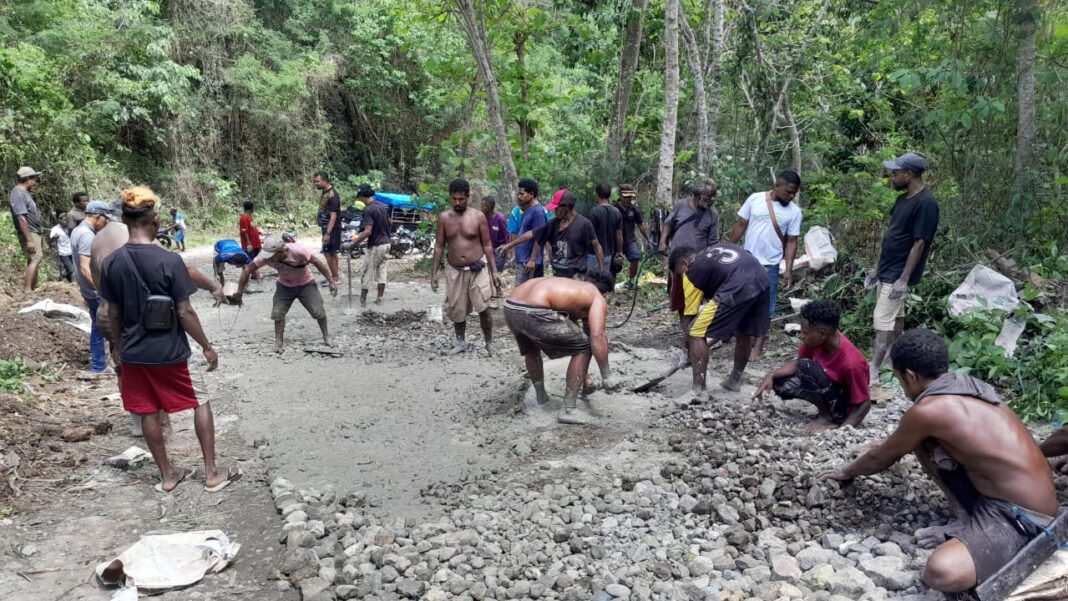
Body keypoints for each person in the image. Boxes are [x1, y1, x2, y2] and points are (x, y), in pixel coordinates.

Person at [819, 329, 1057, 593]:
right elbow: (898, 444)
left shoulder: (929, 411)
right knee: (922, 441)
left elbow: (881, 459)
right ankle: (965, 518)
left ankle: (983, 533)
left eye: (899, 379)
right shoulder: (966, 386)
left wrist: (846, 470)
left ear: (910, 376)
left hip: (1023, 516)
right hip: (1021, 497)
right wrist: (882, 445)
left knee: (941, 572)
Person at [99, 186, 240, 493]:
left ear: (124, 220)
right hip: (172, 351)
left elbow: (110, 313)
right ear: (156, 219)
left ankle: (167, 475)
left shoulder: (112, 263)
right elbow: (185, 311)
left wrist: (120, 348)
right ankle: (212, 473)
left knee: (148, 410)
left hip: (134, 353)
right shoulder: (170, 261)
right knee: (200, 402)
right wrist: (206, 346)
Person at [91, 203, 227, 437]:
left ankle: (138, 420)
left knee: (125, 367)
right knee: (188, 392)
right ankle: (166, 428)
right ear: (150, 220)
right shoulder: (139, 239)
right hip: (148, 321)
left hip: (109, 318)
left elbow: (104, 294)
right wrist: (214, 286)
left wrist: (121, 341)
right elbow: (184, 274)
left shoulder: (99, 242)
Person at [504, 271, 616, 424]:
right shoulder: (596, 296)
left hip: (511, 306)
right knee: (584, 348)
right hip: (534, 310)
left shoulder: (573, 288)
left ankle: (541, 398)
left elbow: (575, 330)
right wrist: (607, 376)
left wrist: (585, 377)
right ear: (605, 294)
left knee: (532, 348)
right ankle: (568, 410)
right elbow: (597, 337)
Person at [866, 152, 940, 381]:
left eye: (895, 173)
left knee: (882, 319)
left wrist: (904, 279)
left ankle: (873, 370)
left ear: (909, 174)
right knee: (895, 319)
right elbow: (892, 236)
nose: (891, 177)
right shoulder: (902, 200)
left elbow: (919, 243)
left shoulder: (926, 204)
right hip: (887, 269)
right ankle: (893, 360)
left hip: (898, 273)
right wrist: (876, 269)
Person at [754, 300, 871, 431]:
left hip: (844, 408)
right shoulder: (814, 343)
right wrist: (772, 375)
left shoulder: (852, 364)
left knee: (807, 366)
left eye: (805, 332)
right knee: (780, 383)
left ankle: (828, 418)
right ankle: (825, 411)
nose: (801, 336)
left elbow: (864, 403)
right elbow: (798, 363)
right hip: (827, 388)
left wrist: (844, 430)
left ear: (822, 334)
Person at [669, 242, 770, 393]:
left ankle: (699, 389)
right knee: (744, 332)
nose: (682, 276)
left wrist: (688, 349)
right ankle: (734, 380)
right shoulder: (715, 249)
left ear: (684, 263)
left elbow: (689, 316)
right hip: (762, 280)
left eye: (680, 272)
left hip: (737, 285)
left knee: (695, 332)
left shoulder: (692, 271)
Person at [727, 170, 803, 359]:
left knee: (766, 306)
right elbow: (740, 225)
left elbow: (792, 241)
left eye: (794, 193)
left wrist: (788, 270)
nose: (791, 196)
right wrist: (728, 250)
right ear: (777, 186)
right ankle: (740, 340)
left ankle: (758, 346)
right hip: (747, 261)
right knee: (740, 300)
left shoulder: (794, 212)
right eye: (788, 192)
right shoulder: (755, 199)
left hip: (770, 265)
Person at [431, 180, 503, 355]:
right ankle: (460, 341)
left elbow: (487, 245)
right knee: (457, 308)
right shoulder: (444, 218)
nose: (457, 203)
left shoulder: (478, 216)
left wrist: (494, 272)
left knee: (484, 308)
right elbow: (439, 246)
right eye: (454, 199)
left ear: (468, 197)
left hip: (477, 268)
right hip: (454, 269)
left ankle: (489, 343)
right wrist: (434, 273)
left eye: (461, 199)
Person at [232, 235, 336, 353]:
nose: (269, 259)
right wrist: (239, 291)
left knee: (318, 311)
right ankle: (278, 342)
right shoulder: (265, 257)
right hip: (284, 285)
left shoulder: (298, 251)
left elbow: (317, 262)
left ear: (282, 251)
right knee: (278, 313)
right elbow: (247, 270)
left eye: (272, 256)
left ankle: (326, 337)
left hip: (306, 283)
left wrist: (331, 281)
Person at [659, 181, 720, 353]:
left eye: (714, 195)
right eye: (709, 196)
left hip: (697, 265)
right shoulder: (680, 205)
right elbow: (669, 223)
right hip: (677, 262)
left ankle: (694, 336)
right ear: (697, 195)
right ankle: (686, 333)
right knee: (680, 299)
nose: (712, 199)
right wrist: (663, 241)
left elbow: (713, 241)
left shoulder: (712, 215)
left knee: (696, 301)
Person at [500, 191, 604, 280]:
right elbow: (532, 234)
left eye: (557, 208)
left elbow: (597, 246)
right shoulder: (553, 224)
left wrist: (601, 270)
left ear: (566, 207)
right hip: (558, 274)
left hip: (576, 276)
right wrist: (509, 245)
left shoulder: (584, 224)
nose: (555, 211)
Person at [70, 200, 113, 375]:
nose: (105, 224)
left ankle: (101, 363)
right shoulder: (87, 236)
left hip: (88, 289)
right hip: (93, 291)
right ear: (97, 216)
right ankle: (98, 366)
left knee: (99, 325)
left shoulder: (78, 230)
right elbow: (85, 267)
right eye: (105, 219)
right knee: (99, 326)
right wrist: (101, 290)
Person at [349, 184, 391, 306]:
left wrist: (353, 243)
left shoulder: (368, 209)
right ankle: (380, 299)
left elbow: (368, 231)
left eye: (360, 197)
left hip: (377, 245)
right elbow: (390, 222)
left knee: (367, 270)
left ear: (362, 196)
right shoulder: (382, 206)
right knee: (382, 270)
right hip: (387, 243)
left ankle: (362, 300)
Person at [9, 166, 45, 293]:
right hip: (29, 231)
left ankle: (34, 285)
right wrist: (29, 239)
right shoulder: (17, 193)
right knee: (35, 258)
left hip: (35, 230)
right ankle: (27, 289)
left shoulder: (25, 193)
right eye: (35, 179)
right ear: (28, 179)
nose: (36, 182)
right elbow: (21, 218)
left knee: (35, 257)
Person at [513, 179, 548, 284]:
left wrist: (532, 259)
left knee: (524, 294)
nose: (519, 196)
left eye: (522, 194)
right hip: (523, 260)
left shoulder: (538, 212)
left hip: (528, 262)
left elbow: (539, 236)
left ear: (531, 194)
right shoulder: (528, 210)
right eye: (518, 194)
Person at [615, 184, 652, 281]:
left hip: (630, 240)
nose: (628, 199)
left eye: (630, 197)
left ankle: (630, 281)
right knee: (614, 264)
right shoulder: (613, 209)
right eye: (625, 197)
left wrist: (648, 240)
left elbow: (640, 225)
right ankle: (611, 282)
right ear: (620, 195)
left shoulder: (634, 209)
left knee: (635, 257)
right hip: (615, 242)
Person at [588, 183, 624, 276]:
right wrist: (619, 252)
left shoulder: (594, 212)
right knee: (602, 281)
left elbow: (590, 235)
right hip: (608, 255)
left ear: (597, 195)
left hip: (593, 254)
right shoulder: (617, 212)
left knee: (591, 283)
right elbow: (619, 235)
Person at [313, 171, 341, 285]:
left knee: (329, 253)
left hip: (331, 228)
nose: (315, 183)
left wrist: (328, 233)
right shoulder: (326, 192)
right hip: (327, 227)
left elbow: (333, 217)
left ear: (325, 181)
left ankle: (335, 278)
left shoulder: (332, 195)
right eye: (314, 181)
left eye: (317, 181)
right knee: (330, 252)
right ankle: (335, 275)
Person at [481, 196, 509, 273]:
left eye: (483, 206)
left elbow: (507, 234)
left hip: (498, 251)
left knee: (497, 273)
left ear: (489, 207)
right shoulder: (483, 218)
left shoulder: (500, 218)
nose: (481, 208)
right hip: (487, 250)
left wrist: (507, 249)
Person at [238, 200, 262, 280]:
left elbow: (252, 228)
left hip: (255, 242)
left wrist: (259, 232)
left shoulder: (250, 216)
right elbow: (245, 231)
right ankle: (246, 276)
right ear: (251, 208)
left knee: (255, 258)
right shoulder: (244, 218)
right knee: (249, 259)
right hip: (250, 243)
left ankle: (254, 274)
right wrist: (248, 243)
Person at [50, 212, 74, 283]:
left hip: (71, 251)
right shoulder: (55, 229)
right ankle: (69, 280)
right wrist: (55, 237)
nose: (66, 221)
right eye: (64, 219)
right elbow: (51, 239)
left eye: (67, 219)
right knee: (71, 269)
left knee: (71, 268)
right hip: (63, 252)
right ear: (59, 220)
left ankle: (66, 278)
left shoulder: (70, 228)